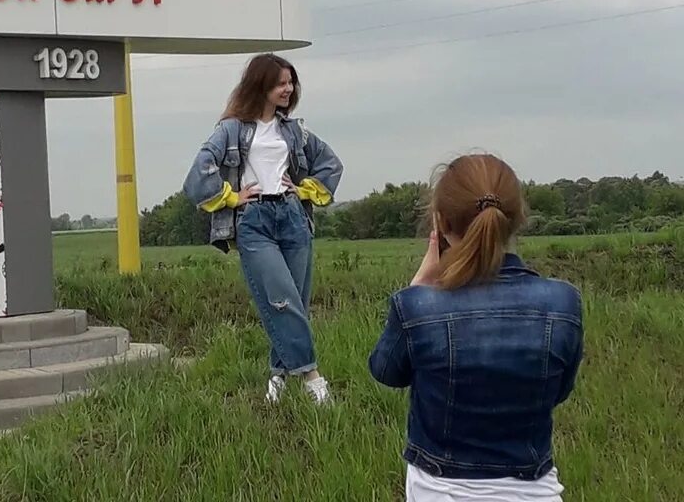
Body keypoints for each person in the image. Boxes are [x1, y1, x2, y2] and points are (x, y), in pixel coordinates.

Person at [369, 155, 583, 500]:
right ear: (516, 219)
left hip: (439, 490)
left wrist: (419, 284)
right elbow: (560, 391)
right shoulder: (563, 303)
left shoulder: (417, 306)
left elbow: (385, 372)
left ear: (440, 223)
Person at [183, 53, 343, 404]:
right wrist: (230, 197)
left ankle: (277, 378)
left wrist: (303, 190)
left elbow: (331, 163)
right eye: (280, 83)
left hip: (292, 218)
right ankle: (314, 380)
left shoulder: (294, 129)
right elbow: (197, 176)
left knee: (294, 303)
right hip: (254, 221)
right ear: (262, 86)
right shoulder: (230, 129)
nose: (288, 89)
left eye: (291, 82)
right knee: (280, 298)